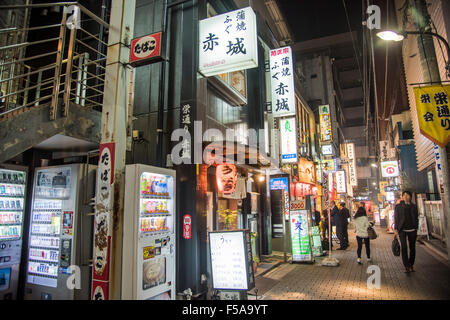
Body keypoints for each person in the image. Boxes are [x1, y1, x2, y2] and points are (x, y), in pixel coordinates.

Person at [394, 191, 419, 273]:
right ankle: (406, 266)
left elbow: (416, 217)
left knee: (412, 248)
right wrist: (396, 229)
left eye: (407, 195)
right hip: (402, 229)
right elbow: (396, 218)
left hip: (412, 229)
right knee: (404, 248)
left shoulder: (414, 206)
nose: (405, 196)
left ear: (410, 196)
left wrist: (416, 228)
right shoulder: (398, 206)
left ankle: (411, 264)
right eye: (404, 195)